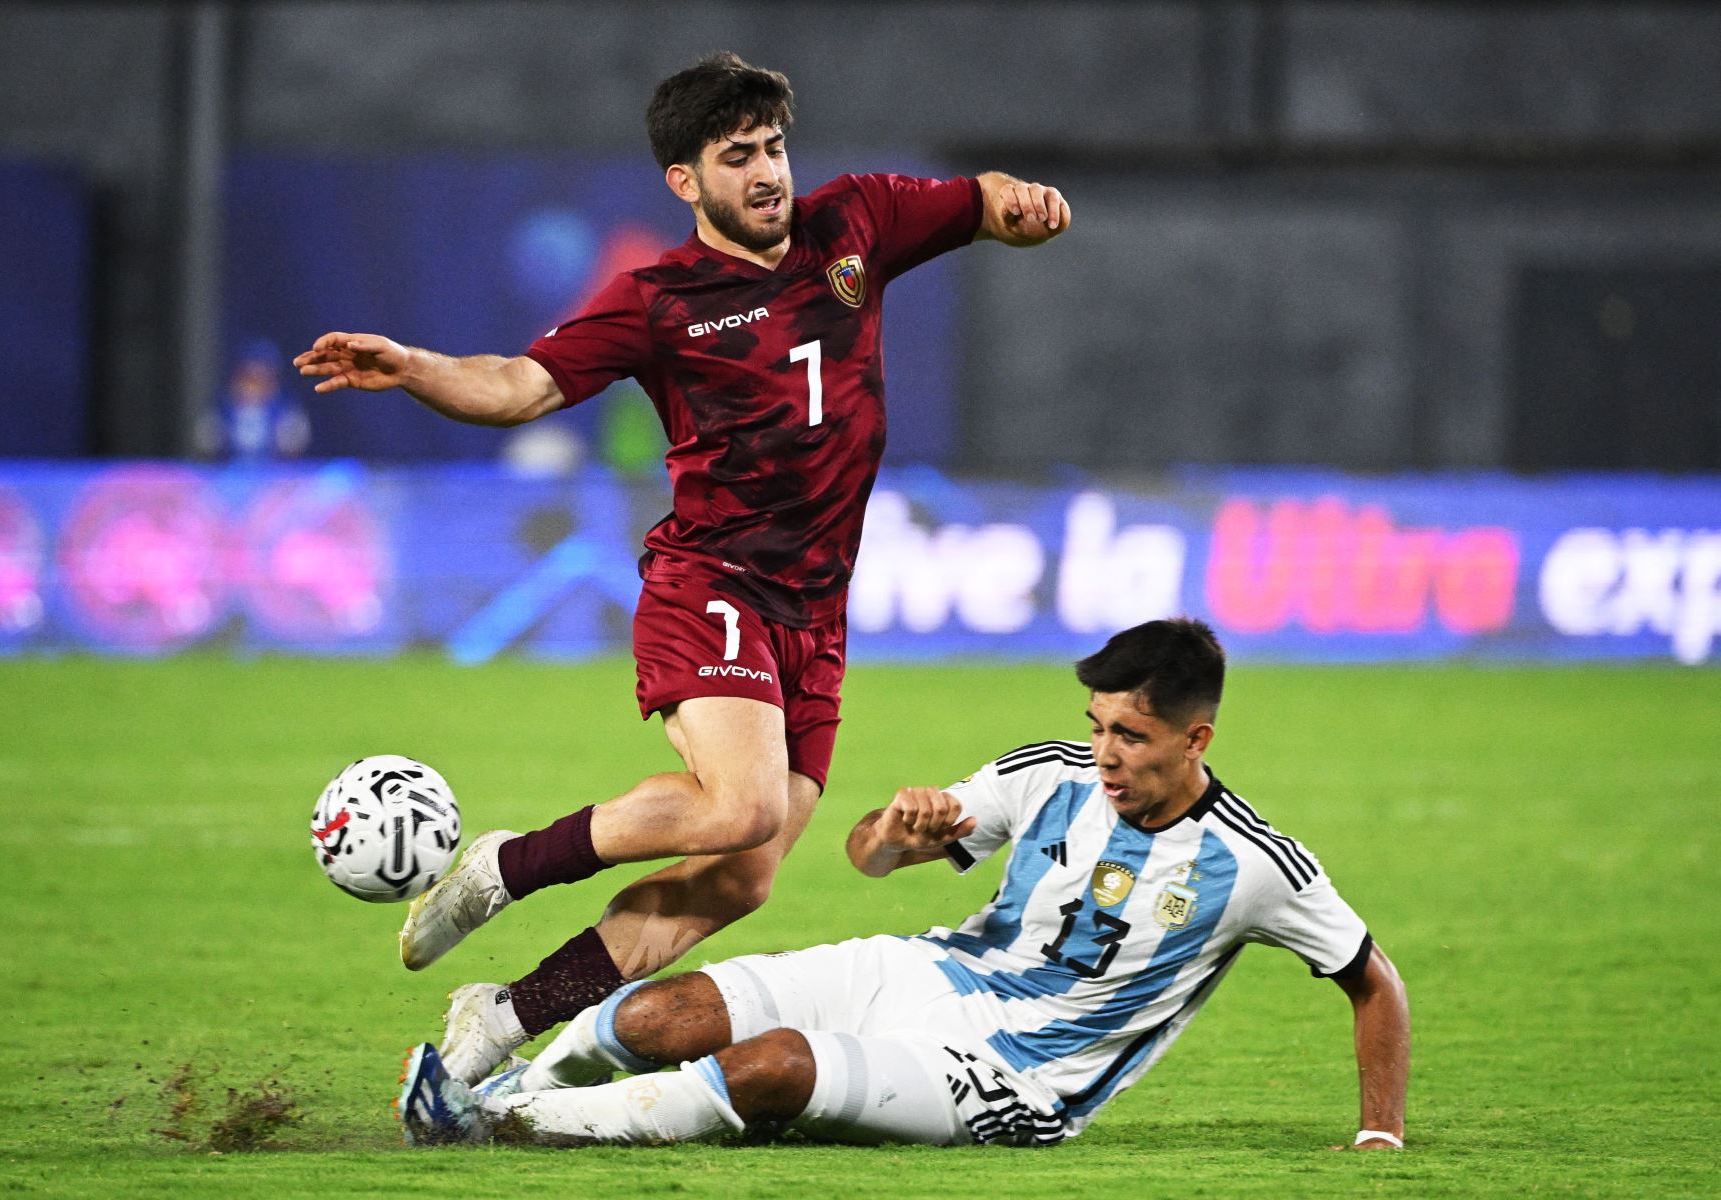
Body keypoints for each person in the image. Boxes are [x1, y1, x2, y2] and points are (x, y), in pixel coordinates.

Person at [293, 52, 1071, 1081]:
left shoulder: (860, 221)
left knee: (742, 876)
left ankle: (503, 1018)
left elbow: (978, 202)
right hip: (714, 583)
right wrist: (417, 368)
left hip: (816, 611)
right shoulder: (659, 300)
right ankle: (502, 866)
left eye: (775, 149)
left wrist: (1019, 203)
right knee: (741, 804)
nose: (767, 174)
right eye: (737, 156)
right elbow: (520, 385)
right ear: (685, 182)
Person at [397, 619, 1412, 1151]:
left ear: (1197, 739)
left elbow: (1375, 982)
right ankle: (504, 1084)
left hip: (1021, 1076)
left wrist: (1379, 1133)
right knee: (661, 1015)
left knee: (775, 1069)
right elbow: (867, 859)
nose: (1104, 752)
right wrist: (898, 827)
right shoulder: (1051, 773)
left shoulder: (1257, 865)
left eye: (1131, 736)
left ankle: (499, 1126)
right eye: (1100, 725)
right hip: (921, 970)